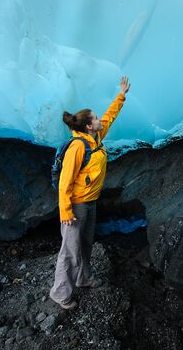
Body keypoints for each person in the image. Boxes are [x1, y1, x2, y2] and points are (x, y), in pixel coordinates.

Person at [49, 76, 131, 310]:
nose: (98, 120)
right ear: (87, 126)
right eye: (94, 118)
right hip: (76, 205)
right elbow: (65, 182)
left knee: (85, 243)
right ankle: (60, 292)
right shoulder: (78, 147)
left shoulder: (95, 138)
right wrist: (65, 211)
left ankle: (83, 278)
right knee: (70, 250)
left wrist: (121, 95)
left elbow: (110, 117)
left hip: (90, 202)